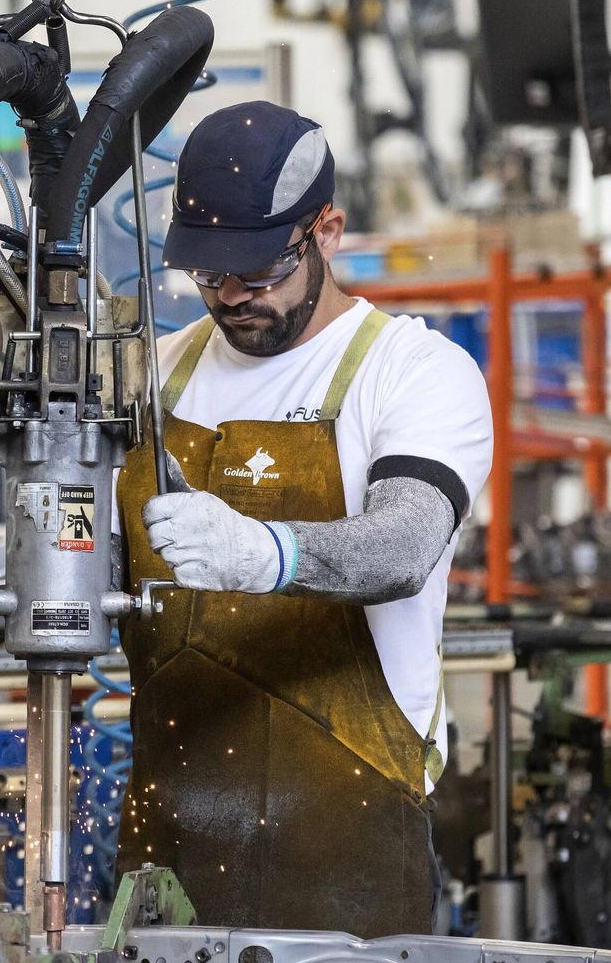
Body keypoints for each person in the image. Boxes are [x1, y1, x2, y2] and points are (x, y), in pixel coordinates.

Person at [113, 100, 493, 938]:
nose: (233, 298)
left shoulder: (413, 371)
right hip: (165, 844)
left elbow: (404, 544)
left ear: (326, 230)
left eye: (258, 273)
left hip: (343, 845)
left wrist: (263, 552)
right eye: (210, 277)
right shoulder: (157, 378)